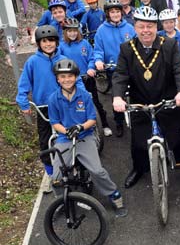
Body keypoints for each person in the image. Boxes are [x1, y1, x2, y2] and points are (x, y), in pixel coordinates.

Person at [112, 7, 180, 188]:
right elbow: (120, 75)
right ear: (135, 27)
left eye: (150, 26)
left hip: (167, 99)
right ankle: (139, 168)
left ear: (156, 26)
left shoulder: (169, 44)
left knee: (179, 136)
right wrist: (118, 97)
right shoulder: (127, 49)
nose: (146, 30)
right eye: (141, 26)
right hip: (140, 100)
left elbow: (179, 69)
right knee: (138, 140)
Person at [48, 59, 127, 217]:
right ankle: (61, 201)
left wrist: (80, 127)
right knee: (56, 178)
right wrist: (65, 131)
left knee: (97, 171)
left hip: (85, 136)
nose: (66, 80)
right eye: (62, 77)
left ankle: (114, 195)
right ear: (57, 79)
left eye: (70, 76)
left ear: (76, 77)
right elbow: (54, 122)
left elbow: (92, 119)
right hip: (64, 139)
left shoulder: (84, 95)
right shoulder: (53, 99)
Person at [16, 26, 84, 193]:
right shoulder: (32, 62)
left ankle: (78, 166)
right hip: (44, 108)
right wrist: (23, 102)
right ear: (39, 43)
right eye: (44, 41)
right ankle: (51, 174)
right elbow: (24, 84)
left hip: (64, 105)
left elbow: (77, 78)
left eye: (51, 40)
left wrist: (83, 94)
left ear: (56, 42)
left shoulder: (63, 58)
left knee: (72, 137)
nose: (48, 44)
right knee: (45, 143)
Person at [60, 17, 112, 136]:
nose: (72, 33)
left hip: (86, 78)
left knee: (94, 102)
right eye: (69, 31)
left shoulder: (85, 44)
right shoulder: (62, 47)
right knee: (74, 104)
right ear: (65, 32)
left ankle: (104, 124)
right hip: (70, 81)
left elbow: (92, 57)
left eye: (74, 30)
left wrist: (90, 68)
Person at [94, 0, 136, 137]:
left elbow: (137, 46)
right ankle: (119, 122)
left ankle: (139, 118)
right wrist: (99, 60)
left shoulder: (129, 28)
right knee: (117, 96)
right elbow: (98, 49)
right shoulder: (101, 30)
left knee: (139, 93)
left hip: (132, 67)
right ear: (108, 14)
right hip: (114, 69)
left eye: (117, 11)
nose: (116, 14)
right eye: (112, 12)